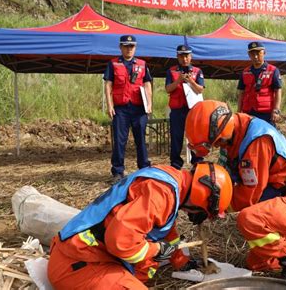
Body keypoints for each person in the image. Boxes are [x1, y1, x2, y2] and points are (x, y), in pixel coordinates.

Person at [185, 100, 286, 283]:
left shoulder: (256, 143)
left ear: (222, 132)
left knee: (249, 219)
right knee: (257, 263)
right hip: (284, 199)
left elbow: (248, 197)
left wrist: (211, 207)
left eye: (217, 142)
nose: (218, 146)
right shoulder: (238, 132)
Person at [48, 162, 233, 290]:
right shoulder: (161, 193)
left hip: (84, 256)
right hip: (78, 264)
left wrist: (181, 262)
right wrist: (155, 250)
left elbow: (166, 231)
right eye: (205, 212)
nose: (200, 216)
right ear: (204, 197)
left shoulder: (172, 183)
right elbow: (120, 241)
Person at [104, 35, 153, 181]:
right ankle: (118, 171)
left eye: (131, 46)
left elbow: (147, 84)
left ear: (135, 48)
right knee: (120, 140)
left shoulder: (142, 64)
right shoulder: (113, 64)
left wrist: (149, 103)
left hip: (139, 108)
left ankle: (144, 168)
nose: (129, 49)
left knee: (140, 139)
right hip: (121, 108)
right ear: (120, 47)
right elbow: (108, 85)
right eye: (126, 46)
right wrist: (109, 105)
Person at [165, 45, 204, 170]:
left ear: (191, 57)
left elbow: (200, 90)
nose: (184, 58)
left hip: (193, 110)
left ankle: (197, 162)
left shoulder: (197, 71)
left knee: (195, 137)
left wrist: (191, 81)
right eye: (181, 56)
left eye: (187, 55)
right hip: (177, 110)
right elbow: (168, 89)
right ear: (177, 57)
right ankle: (175, 165)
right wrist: (178, 81)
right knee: (176, 138)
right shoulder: (171, 71)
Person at [237, 41, 282, 126]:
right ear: (249, 55)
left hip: (266, 113)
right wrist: (238, 112)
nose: (256, 56)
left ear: (264, 53)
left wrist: (276, 110)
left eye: (258, 53)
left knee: (267, 137)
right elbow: (241, 93)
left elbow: (278, 91)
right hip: (248, 112)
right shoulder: (245, 72)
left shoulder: (273, 70)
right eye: (252, 54)